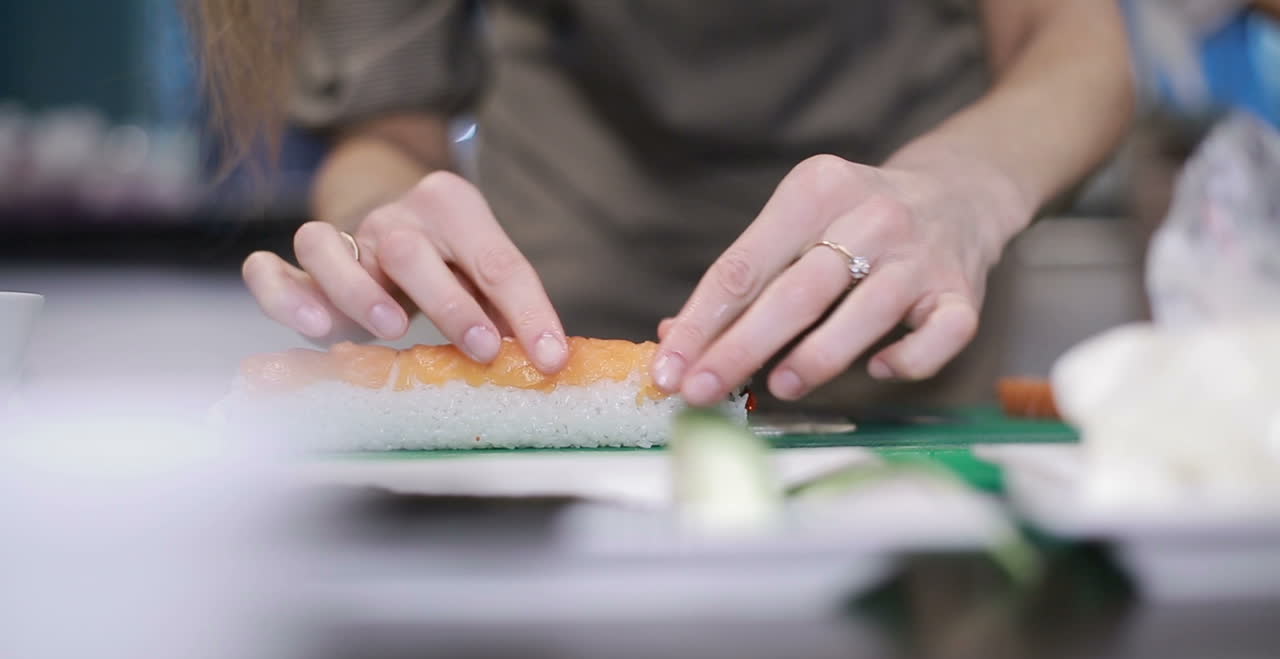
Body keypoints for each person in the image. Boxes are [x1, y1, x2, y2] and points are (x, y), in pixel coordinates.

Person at [196, 0, 1134, 408]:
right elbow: (384, 132)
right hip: (558, 320)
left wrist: (964, 191)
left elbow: (1075, 43)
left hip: (896, 339)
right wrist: (386, 217)